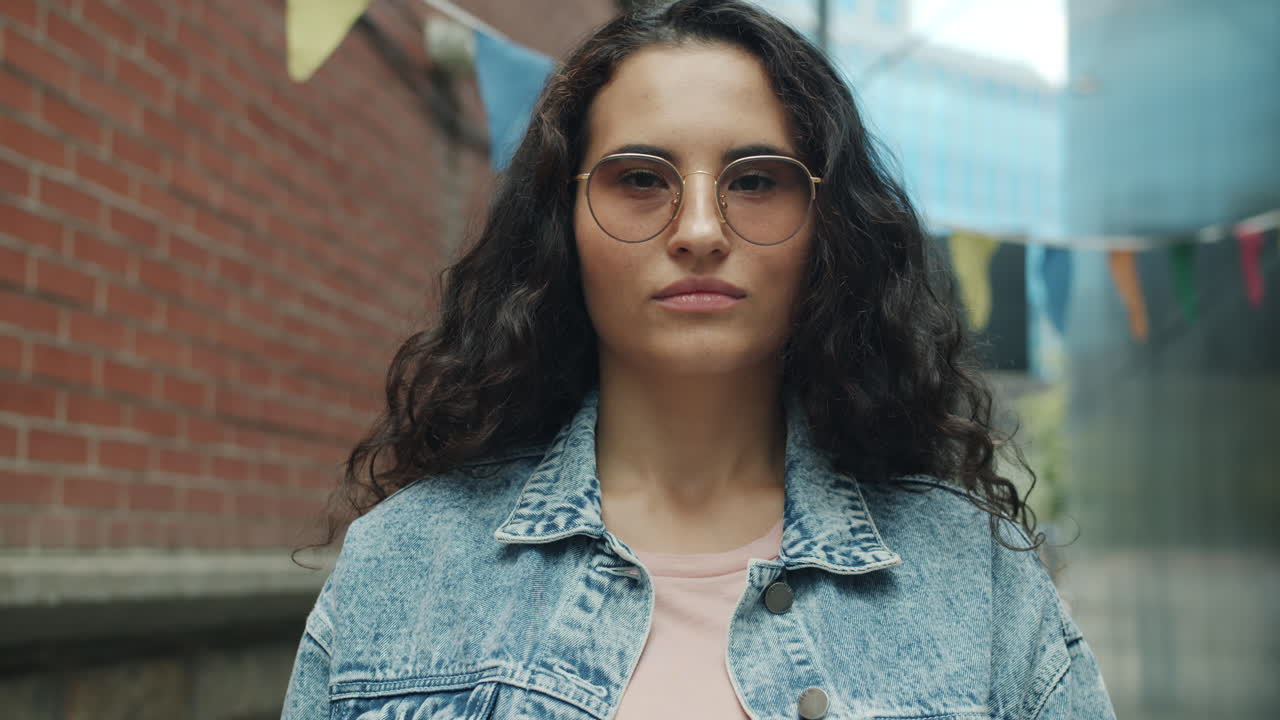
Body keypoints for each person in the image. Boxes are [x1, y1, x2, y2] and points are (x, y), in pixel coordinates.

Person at [282, 1, 1116, 718]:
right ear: (560, 226)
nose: (700, 230)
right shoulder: (403, 565)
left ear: (830, 230)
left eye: (755, 181)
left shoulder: (976, 579)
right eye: (641, 179)